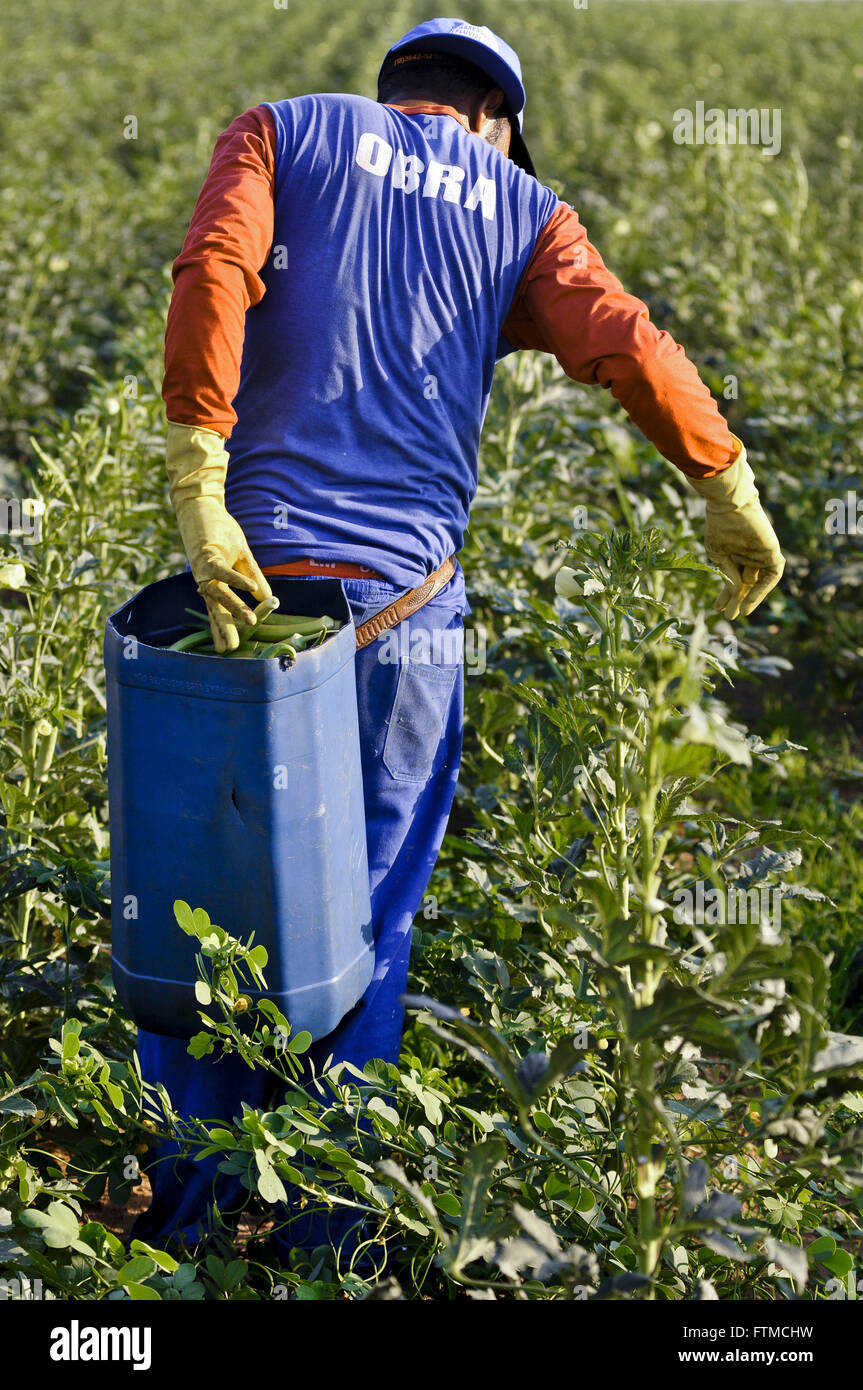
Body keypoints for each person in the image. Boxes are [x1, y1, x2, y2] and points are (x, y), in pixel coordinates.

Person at [131, 17, 785, 1260]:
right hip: (400, 616)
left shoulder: (282, 127)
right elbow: (620, 339)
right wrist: (723, 480)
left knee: (198, 895)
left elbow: (216, 264)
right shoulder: (519, 204)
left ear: (401, 90)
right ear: (491, 114)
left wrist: (197, 469)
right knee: (365, 911)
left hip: (241, 589)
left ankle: (189, 1224)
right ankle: (329, 1237)